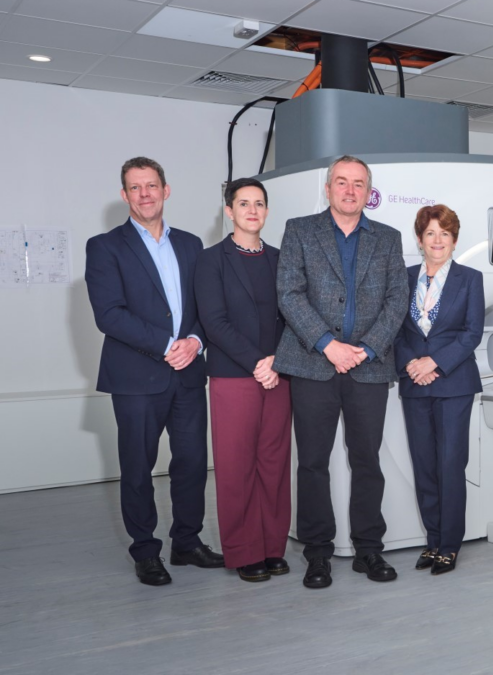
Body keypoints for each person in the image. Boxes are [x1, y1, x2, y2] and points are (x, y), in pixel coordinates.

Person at [85, 157, 223, 586]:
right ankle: (146, 551)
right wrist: (168, 346)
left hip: (187, 376)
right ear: (125, 196)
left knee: (192, 464)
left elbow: (206, 308)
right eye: (135, 187)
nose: (144, 194)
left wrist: (196, 342)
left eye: (151, 185)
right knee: (138, 467)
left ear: (166, 190)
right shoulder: (104, 247)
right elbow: (109, 315)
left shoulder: (191, 244)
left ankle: (187, 542)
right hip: (136, 378)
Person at [274, 155, 408, 589]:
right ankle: (317, 554)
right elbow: (289, 294)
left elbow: (396, 301)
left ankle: (369, 549)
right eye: (342, 182)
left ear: (368, 191)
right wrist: (328, 345)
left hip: (368, 368)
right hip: (312, 364)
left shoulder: (387, 239)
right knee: (313, 463)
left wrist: (366, 349)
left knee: (367, 460)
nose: (350, 191)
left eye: (359, 184)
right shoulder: (300, 230)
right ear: (329, 188)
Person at [194, 178, 291, 583]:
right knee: (236, 466)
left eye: (260, 203)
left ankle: (272, 547)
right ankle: (244, 550)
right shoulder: (211, 260)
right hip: (234, 375)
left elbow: (293, 316)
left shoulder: (282, 259)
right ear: (229, 211)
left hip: (279, 375)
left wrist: (277, 361)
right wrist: (257, 362)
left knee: (274, 464)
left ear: (267, 212)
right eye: (244, 203)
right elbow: (214, 322)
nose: (253, 210)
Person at [395, 205, 485, 576]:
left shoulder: (470, 278)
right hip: (415, 382)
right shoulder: (403, 277)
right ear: (419, 238)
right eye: (430, 233)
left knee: (450, 464)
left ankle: (450, 545)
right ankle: (432, 540)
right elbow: (395, 329)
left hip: (454, 384)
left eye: (444, 234)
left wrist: (434, 363)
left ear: (454, 240)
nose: (437, 241)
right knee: (425, 466)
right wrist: (413, 365)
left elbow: (471, 333)